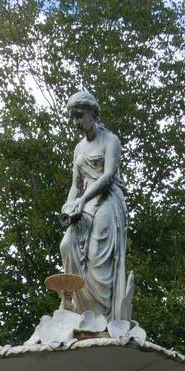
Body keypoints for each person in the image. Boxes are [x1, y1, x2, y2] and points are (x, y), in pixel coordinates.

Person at [59, 90, 131, 321]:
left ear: (92, 112)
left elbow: (108, 175)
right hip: (84, 204)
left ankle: (103, 318)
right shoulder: (79, 148)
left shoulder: (110, 140)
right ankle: (76, 308)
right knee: (66, 244)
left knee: (98, 258)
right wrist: (70, 205)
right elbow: (75, 184)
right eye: (73, 117)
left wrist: (82, 200)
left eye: (80, 115)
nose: (77, 122)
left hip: (107, 201)